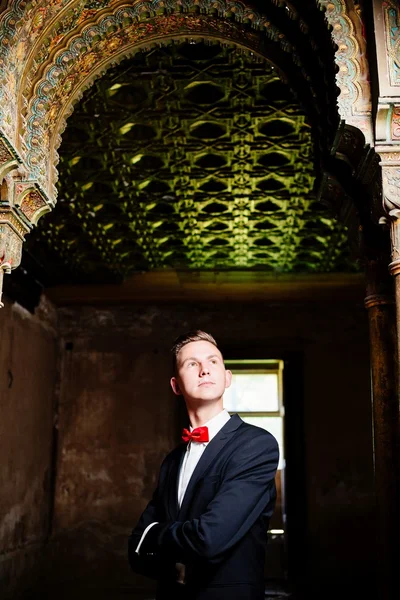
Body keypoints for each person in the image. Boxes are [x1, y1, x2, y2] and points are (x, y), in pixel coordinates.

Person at [128, 330, 279, 600]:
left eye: (213, 362)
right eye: (192, 364)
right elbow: (135, 551)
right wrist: (164, 551)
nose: (204, 370)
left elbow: (210, 538)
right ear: (175, 385)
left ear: (227, 376)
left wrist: (154, 536)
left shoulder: (256, 445)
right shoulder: (172, 461)